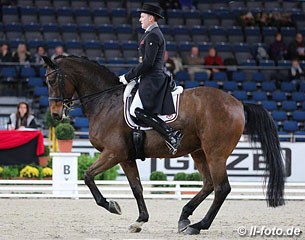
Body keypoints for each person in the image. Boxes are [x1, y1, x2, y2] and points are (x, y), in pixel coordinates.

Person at [118, 3, 183, 155]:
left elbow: (148, 63)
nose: (140, 19)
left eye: (142, 17)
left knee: (135, 110)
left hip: (152, 80)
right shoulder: (150, 33)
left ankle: (170, 134)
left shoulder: (153, 34)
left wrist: (128, 77)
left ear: (151, 18)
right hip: (148, 77)